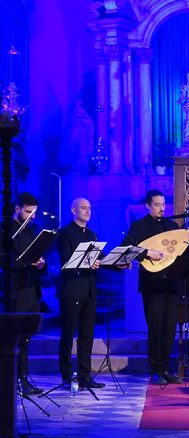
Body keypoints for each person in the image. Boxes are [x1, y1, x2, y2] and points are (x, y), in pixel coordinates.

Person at [121, 189, 189, 385]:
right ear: (148, 206)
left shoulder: (172, 226)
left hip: (171, 284)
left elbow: (184, 255)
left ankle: (166, 369)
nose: (161, 208)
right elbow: (126, 249)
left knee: (169, 329)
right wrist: (147, 253)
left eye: (163, 204)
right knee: (155, 327)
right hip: (152, 284)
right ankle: (155, 369)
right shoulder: (139, 226)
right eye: (157, 205)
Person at [57, 198, 105, 390]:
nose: (88, 211)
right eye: (84, 208)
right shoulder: (65, 232)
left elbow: (101, 258)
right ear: (73, 210)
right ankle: (67, 375)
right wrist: (87, 262)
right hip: (71, 289)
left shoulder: (92, 234)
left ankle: (85, 375)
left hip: (89, 290)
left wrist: (117, 264)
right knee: (68, 334)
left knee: (87, 335)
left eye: (89, 208)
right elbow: (65, 260)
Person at [10, 192, 45, 395]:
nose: (32, 216)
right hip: (17, 289)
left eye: (34, 212)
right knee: (17, 337)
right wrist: (27, 263)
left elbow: (36, 255)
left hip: (32, 289)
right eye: (28, 212)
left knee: (27, 338)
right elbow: (6, 261)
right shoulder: (6, 230)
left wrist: (41, 263)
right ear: (17, 208)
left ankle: (23, 378)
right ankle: (16, 379)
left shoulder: (31, 229)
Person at [67, 97, 94, 174]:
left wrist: (82, 122)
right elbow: (69, 126)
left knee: (82, 152)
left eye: (78, 102)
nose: (77, 104)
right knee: (76, 151)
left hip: (82, 136)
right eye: (76, 102)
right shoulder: (72, 114)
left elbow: (89, 123)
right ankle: (77, 167)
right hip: (75, 135)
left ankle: (82, 167)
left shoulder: (82, 113)